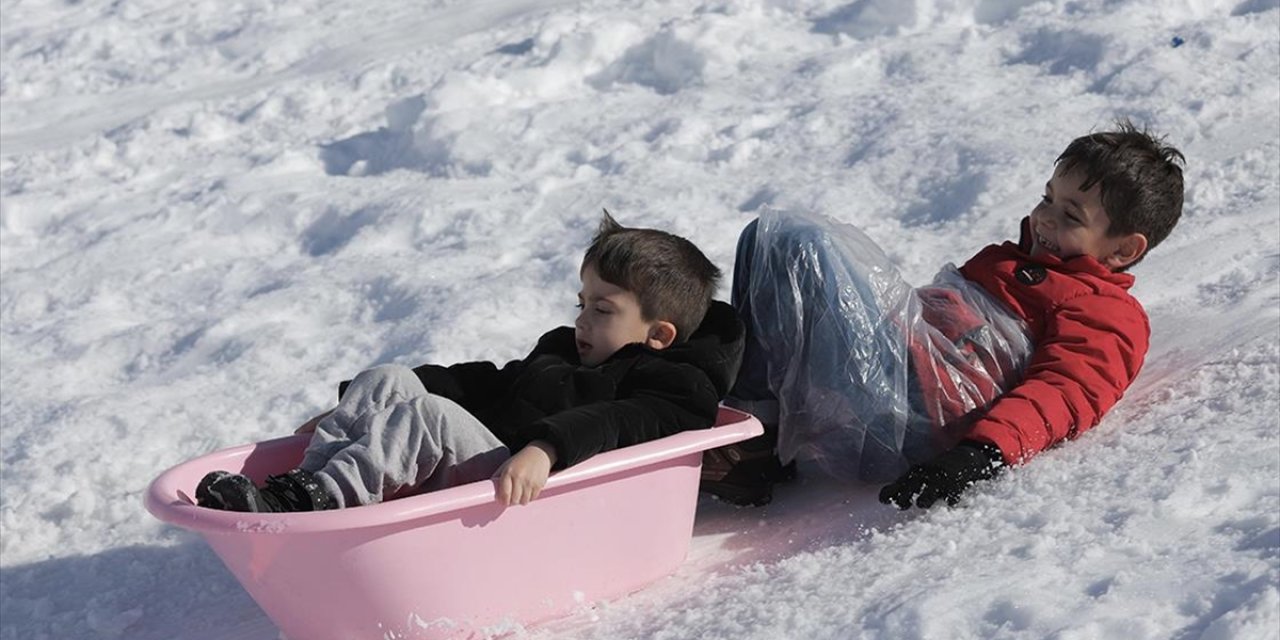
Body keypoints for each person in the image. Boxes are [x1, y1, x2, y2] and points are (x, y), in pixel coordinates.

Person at [699, 121, 1185, 508]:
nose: (1045, 218)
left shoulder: (1107, 310)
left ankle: (753, 444)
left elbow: (1065, 392)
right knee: (768, 238)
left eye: (1071, 215)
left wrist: (980, 453)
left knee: (802, 244)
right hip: (896, 378)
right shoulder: (1010, 261)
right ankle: (750, 426)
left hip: (911, 419)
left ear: (1124, 250)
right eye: (1047, 198)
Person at [197, 212, 745, 512]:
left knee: (430, 416)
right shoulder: (563, 349)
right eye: (581, 303)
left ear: (658, 334)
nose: (582, 320)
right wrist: (358, 408)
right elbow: (492, 383)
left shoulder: (674, 387)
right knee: (390, 378)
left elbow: (615, 422)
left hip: (527, 492)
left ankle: (320, 500)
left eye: (602, 310)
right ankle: (302, 486)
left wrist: (546, 447)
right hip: (500, 468)